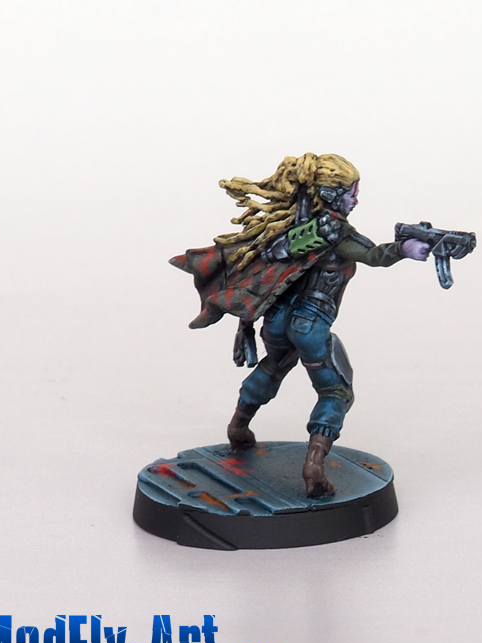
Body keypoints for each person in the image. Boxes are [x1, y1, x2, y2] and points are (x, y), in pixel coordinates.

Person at [171, 153, 429, 498]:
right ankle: (314, 466)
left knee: (275, 364)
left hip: (277, 320)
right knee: (335, 391)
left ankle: (238, 427)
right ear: (332, 195)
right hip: (311, 323)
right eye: (351, 193)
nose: (355, 200)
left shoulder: (289, 227)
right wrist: (406, 249)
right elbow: (374, 256)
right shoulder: (337, 233)